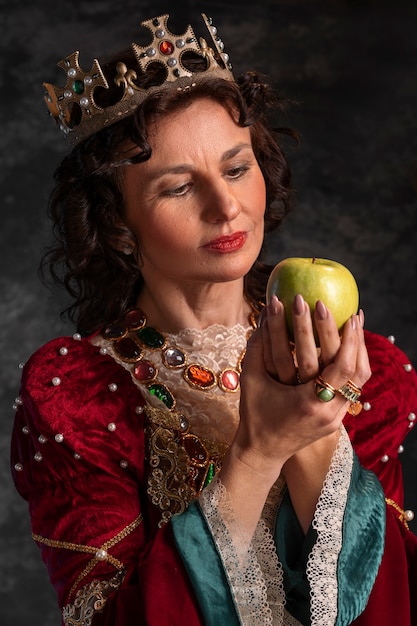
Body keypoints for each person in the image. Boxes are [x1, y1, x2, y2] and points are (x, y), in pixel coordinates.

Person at [10, 11, 417, 626]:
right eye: (178, 187)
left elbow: (394, 603)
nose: (226, 207)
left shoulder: (366, 367)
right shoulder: (80, 396)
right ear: (118, 222)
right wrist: (257, 453)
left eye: (236, 168)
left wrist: (317, 432)